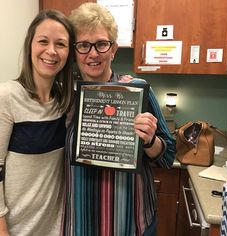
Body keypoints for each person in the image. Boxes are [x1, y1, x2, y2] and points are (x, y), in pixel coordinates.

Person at [65, 2, 176, 236]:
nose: (93, 53)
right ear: (74, 52)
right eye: (83, 45)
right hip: (80, 224)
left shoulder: (137, 90)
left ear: (113, 49)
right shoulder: (64, 99)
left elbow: (167, 156)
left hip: (131, 223)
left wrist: (149, 141)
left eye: (102, 44)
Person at [0, 9, 76, 236]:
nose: (51, 51)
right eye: (43, 41)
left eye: (60, 44)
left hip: (56, 228)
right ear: (30, 45)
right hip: (15, 229)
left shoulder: (66, 101)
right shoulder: (7, 97)